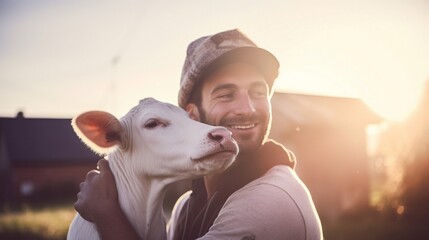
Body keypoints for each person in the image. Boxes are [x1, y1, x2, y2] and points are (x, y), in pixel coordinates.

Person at [75, 29, 323, 240]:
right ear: (191, 117)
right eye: (226, 95)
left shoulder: (271, 201)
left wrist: (106, 214)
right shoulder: (185, 207)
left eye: (259, 93)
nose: (248, 109)